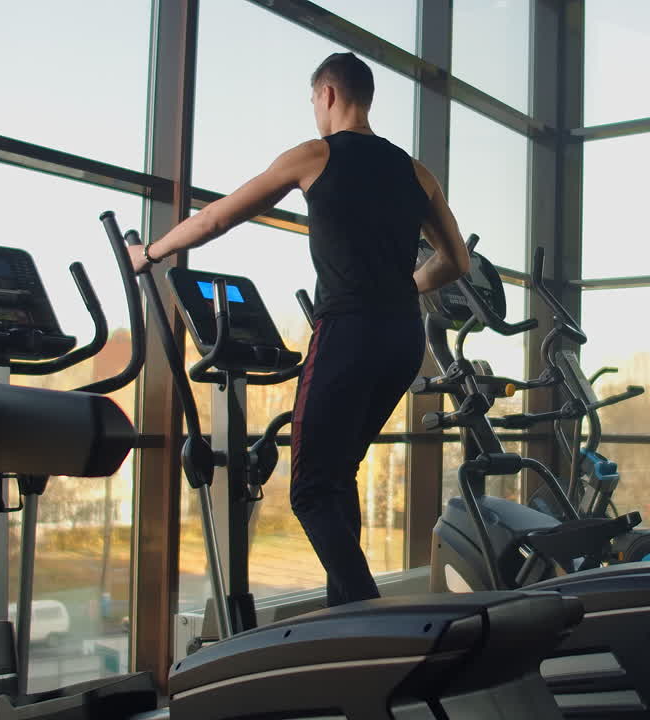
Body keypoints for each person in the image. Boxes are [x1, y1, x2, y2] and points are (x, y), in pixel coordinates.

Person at [129, 51, 472, 606]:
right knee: (340, 474)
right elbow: (454, 260)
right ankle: (349, 629)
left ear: (329, 95)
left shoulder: (315, 155)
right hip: (403, 340)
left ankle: (371, 624)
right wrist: (408, 287)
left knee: (311, 490)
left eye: (314, 100)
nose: (315, 110)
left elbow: (217, 217)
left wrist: (151, 252)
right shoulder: (416, 171)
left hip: (348, 332)